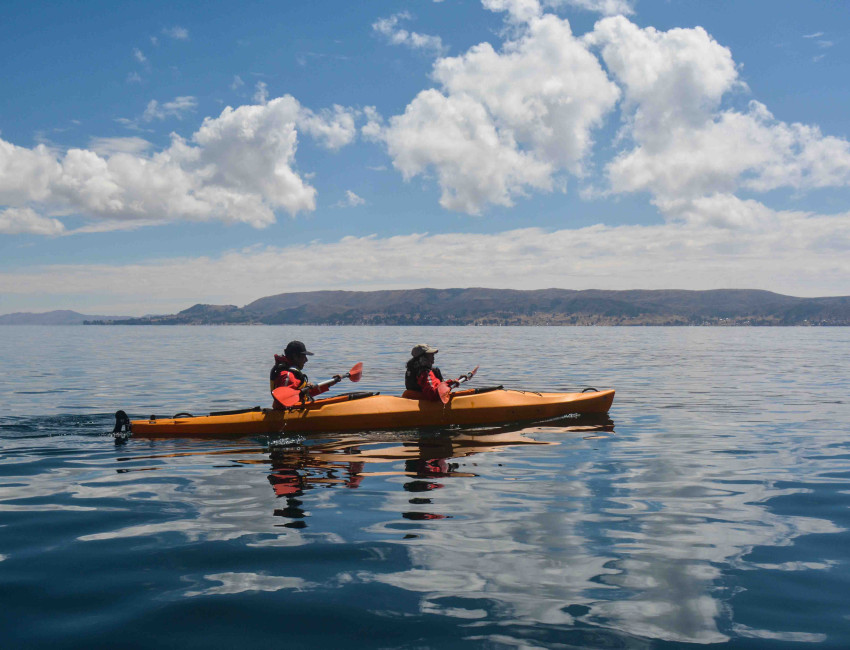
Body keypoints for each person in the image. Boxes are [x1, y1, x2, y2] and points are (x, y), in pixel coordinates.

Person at [270, 340, 341, 408]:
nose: (306, 360)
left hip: (298, 409)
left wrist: (330, 383)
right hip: (290, 414)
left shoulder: (291, 374)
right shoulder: (287, 376)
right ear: (295, 357)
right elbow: (281, 405)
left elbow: (304, 394)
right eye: (303, 356)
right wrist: (303, 391)